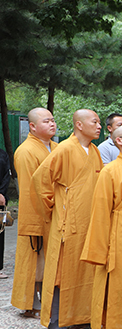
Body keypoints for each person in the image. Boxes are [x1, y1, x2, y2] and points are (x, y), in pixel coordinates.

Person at [32, 109, 103, 329]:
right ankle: (55, 320)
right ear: (79, 125)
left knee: (84, 269)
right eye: (95, 122)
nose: (99, 125)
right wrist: (53, 209)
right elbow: (40, 180)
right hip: (68, 220)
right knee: (62, 271)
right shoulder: (64, 148)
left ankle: (79, 316)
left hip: (89, 219)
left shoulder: (94, 151)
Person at [80, 125, 122, 329]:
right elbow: (101, 210)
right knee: (115, 283)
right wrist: (100, 246)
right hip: (119, 234)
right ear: (118, 141)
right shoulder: (110, 170)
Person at [11, 108, 57, 316]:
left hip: (56, 211)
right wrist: (33, 221)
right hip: (38, 212)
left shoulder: (56, 147)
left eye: (53, 120)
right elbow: (29, 189)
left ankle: (51, 298)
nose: (52, 124)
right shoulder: (26, 151)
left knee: (51, 258)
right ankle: (32, 302)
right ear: (32, 126)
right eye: (46, 121)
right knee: (35, 259)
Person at [0, 148, 10, 280]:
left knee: (0, 233)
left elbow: (7, 175)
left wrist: (1, 193)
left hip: (0, 200)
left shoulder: (2, 154)